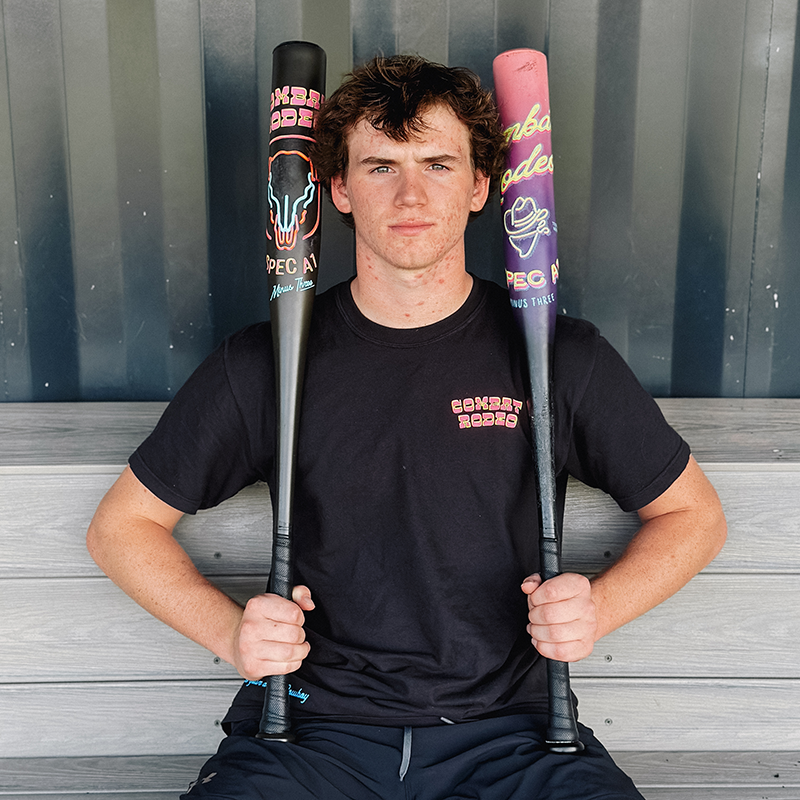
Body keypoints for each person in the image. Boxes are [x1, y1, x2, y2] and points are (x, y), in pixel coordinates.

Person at [87, 55, 727, 799]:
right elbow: (121, 529)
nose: (411, 194)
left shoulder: (558, 356)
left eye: (438, 164)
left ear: (480, 186)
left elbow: (695, 517)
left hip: (515, 737)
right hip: (308, 733)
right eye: (381, 166)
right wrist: (232, 634)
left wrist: (598, 608)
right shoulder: (268, 363)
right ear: (338, 189)